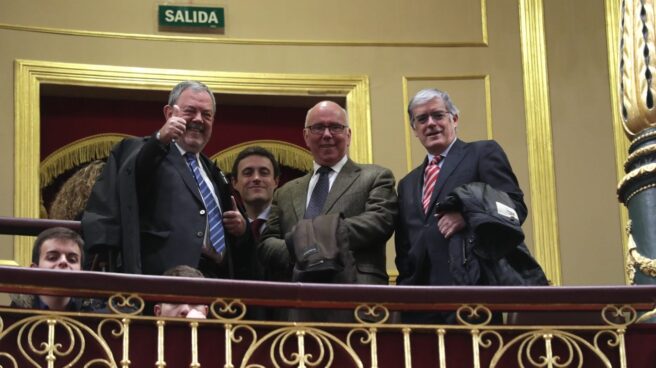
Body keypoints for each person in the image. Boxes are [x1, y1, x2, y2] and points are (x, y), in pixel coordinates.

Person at [395, 88, 547, 322]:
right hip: (420, 303)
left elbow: (514, 208)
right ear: (414, 129)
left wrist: (469, 216)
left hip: (473, 293)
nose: (431, 123)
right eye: (422, 119)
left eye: (438, 115)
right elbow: (405, 246)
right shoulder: (406, 184)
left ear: (454, 119)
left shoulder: (482, 153)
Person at [82, 81, 255, 279]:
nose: (199, 119)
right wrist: (160, 139)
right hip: (164, 280)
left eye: (206, 115)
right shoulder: (146, 153)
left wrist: (241, 229)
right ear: (169, 113)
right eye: (190, 111)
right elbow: (131, 178)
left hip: (214, 281)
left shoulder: (212, 172)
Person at [258, 101, 398, 286]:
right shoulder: (285, 192)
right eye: (318, 127)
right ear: (306, 136)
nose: (326, 134)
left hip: (354, 293)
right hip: (295, 298)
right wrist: (300, 249)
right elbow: (267, 243)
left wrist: (308, 239)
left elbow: (380, 222)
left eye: (335, 127)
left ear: (348, 135)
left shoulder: (376, 177)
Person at [11, 227, 91, 311]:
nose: (63, 261)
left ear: (81, 272)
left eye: (72, 259)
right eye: (52, 257)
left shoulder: (95, 316)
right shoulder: (10, 317)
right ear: (34, 270)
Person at [230, 146, 280, 242]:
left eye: (264, 173)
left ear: (276, 181)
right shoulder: (224, 231)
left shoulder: (291, 223)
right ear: (234, 183)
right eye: (248, 173)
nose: (256, 178)